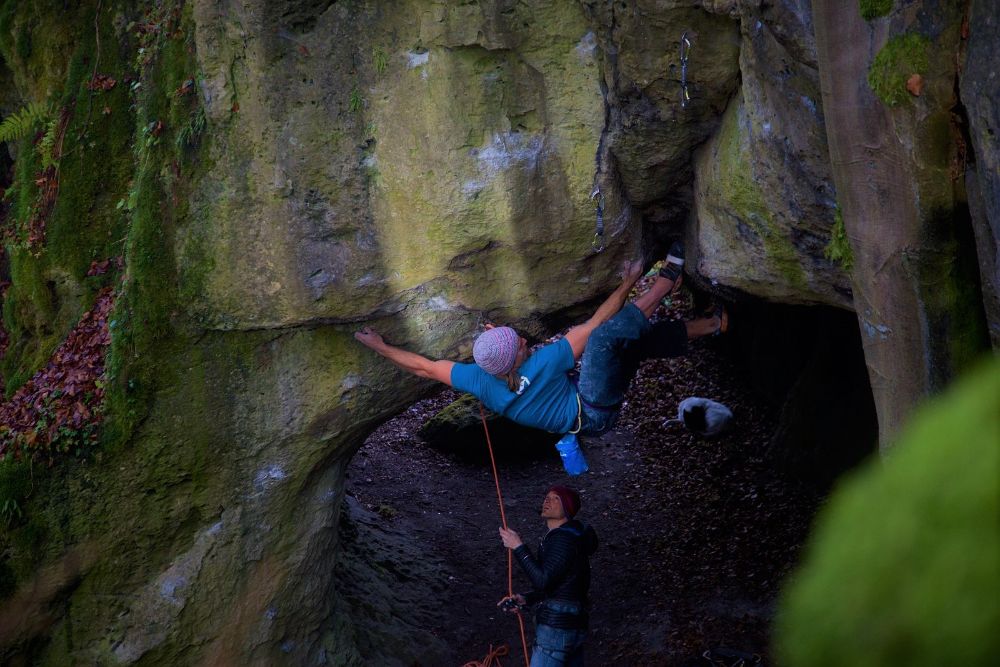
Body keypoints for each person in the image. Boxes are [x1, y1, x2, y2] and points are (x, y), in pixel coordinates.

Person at [354, 243, 727, 436]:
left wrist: (380, 347)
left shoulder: (480, 379)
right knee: (604, 340)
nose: (522, 339)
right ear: (517, 357)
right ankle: (665, 283)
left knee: (630, 344)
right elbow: (597, 322)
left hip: (584, 406)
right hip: (592, 410)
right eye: (517, 341)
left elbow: (423, 368)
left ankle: (712, 326)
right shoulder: (544, 364)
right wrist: (631, 280)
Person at [498, 485, 597, 667]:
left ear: (567, 508)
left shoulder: (562, 539)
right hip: (572, 625)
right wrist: (527, 599)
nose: (547, 500)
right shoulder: (568, 537)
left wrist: (518, 546)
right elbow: (559, 583)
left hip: (557, 631)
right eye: (547, 497)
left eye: (555, 498)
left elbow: (543, 580)